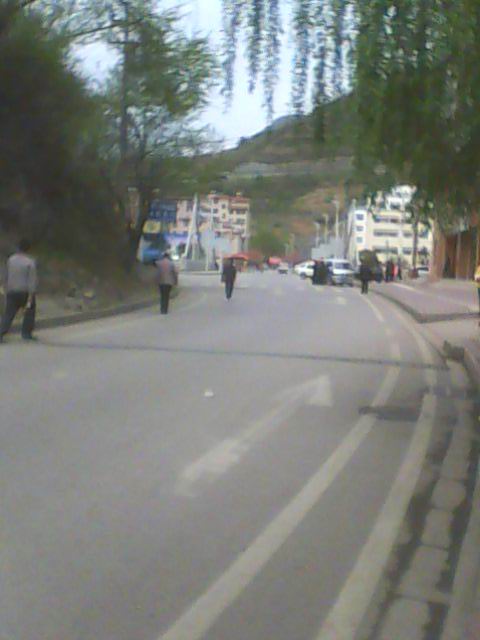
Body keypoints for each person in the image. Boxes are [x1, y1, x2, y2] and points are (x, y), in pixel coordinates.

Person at [0, 238, 37, 342]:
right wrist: (31, 295)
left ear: (18, 247)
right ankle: (26, 333)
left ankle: (1, 332)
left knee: (9, 313)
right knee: (29, 311)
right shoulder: (30, 262)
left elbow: (5, 274)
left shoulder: (11, 260)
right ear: (29, 249)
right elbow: (32, 280)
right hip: (24, 292)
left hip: (12, 290)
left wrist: (4, 286)